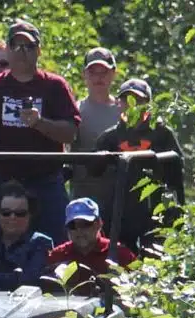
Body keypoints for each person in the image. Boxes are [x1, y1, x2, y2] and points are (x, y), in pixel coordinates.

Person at [0, 20, 80, 246]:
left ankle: (53, 280)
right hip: (2, 177)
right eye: (16, 46)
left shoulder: (55, 86)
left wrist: (40, 123)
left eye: (28, 47)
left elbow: (70, 133)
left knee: (58, 245)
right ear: (7, 49)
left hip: (45, 179)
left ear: (38, 51)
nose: (22, 52)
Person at [93, 78, 184, 251]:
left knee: (156, 259)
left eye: (138, 100)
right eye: (126, 100)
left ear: (148, 104)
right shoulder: (109, 137)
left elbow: (177, 172)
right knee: (121, 261)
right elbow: (93, 171)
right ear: (118, 104)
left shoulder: (162, 133)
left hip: (156, 210)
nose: (131, 105)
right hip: (120, 213)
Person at [70, 47, 121, 213]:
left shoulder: (124, 111)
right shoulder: (75, 110)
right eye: (93, 72)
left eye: (104, 72)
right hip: (84, 195)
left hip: (119, 194)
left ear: (113, 74)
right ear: (84, 75)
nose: (99, 78)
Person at [47, 197, 135, 292]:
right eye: (72, 225)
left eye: (85, 224)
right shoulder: (57, 256)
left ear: (99, 224)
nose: (79, 230)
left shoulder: (120, 254)